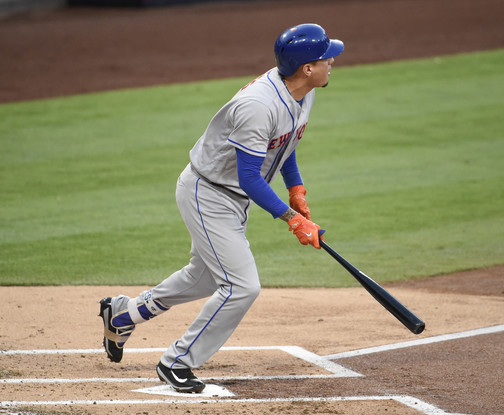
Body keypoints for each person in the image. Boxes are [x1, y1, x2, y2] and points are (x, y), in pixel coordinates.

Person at [98, 23, 344, 393]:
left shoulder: (303, 92)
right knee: (242, 286)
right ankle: (177, 361)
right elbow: (249, 177)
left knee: (207, 277)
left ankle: (122, 314)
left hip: (229, 197)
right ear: (307, 67)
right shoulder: (259, 106)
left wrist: (296, 189)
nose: (333, 63)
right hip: (207, 193)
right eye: (327, 58)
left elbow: (284, 146)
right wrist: (292, 220)